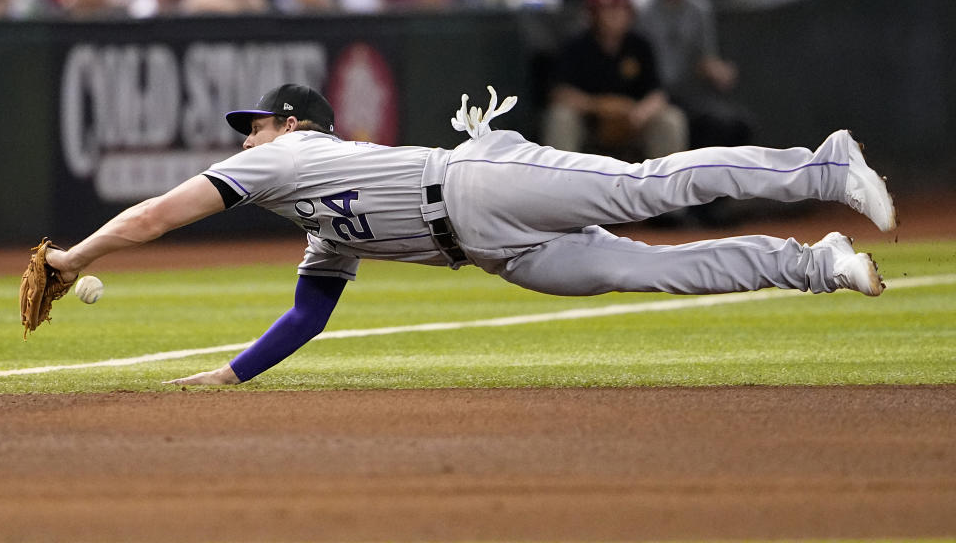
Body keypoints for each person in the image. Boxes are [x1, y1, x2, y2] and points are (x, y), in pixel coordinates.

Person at [44, 83, 897, 386]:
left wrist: (74, 259)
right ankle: (814, 264)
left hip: (478, 182)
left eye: (255, 123)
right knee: (652, 271)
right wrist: (230, 375)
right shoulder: (313, 217)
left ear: (296, 123)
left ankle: (823, 167)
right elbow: (308, 313)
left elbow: (155, 216)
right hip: (496, 252)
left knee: (645, 187)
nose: (245, 136)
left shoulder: (288, 157)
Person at [545, 0, 688, 163]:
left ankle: (665, 188)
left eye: (621, 8)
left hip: (633, 122)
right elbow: (560, 93)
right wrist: (598, 107)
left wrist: (638, 114)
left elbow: (658, 93)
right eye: (608, 8)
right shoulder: (576, 45)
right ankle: (563, 188)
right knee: (560, 118)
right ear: (594, 12)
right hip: (589, 122)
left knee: (671, 119)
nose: (616, 15)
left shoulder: (640, 45)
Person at [633, 0, 752, 150]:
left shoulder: (700, 7)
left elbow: (705, 59)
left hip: (684, 93)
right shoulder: (640, 4)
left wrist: (715, 70)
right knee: (672, 121)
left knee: (733, 123)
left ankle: (717, 184)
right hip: (647, 94)